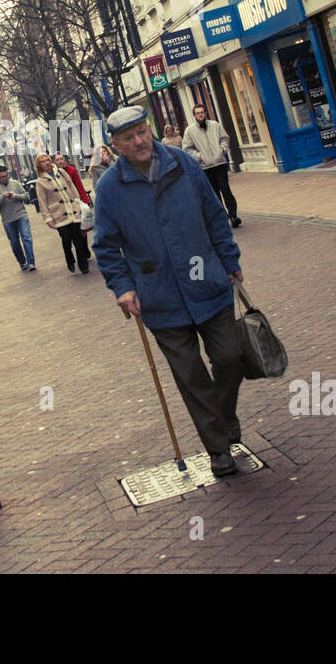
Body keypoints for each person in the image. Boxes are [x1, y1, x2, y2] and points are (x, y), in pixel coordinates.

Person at [93, 106, 245, 477]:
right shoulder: (110, 189)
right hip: (158, 296)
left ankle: (223, 418)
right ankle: (218, 449)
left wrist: (230, 260)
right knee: (190, 375)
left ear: (150, 129)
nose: (139, 141)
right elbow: (106, 248)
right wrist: (123, 287)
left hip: (207, 279)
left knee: (231, 356)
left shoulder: (182, 163)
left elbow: (213, 214)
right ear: (115, 146)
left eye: (142, 132)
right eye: (128, 138)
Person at [182, 104, 241, 228]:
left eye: (202, 112)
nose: (200, 115)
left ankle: (233, 216)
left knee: (225, 190)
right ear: (194, 115)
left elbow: (225, 138)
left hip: (219, 164)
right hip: (205, 167)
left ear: (205, 113)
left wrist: (222, 150)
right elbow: (187, 149)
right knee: (214, 194)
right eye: (198, 113)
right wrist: (199, 157)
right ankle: (222, 217)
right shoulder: (190, 131)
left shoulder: (215, 125)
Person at [34, 153, 91, 274]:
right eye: (43, 162)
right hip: (58, 214)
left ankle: (83, 266)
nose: (46, 163)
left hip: (73, 210)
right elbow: (42, 201)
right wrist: (47, 218)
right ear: (39, 165)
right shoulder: (40, 182)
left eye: (47, 160)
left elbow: (72, 188)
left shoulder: (61, 172)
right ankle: (69, 259)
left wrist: (78, 202)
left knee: (78, 239)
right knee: (66, 239)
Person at [0, 165, 36, 271]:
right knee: (15, 243)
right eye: (2, 177)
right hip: (8, 220)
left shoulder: (15, 183)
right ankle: (22, 262)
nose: (5, 178)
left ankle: (31, 262)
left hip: (21, 215)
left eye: (6, 176)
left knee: (26, 238)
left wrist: (16, 196)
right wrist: (3, 196)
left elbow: (26, 196)